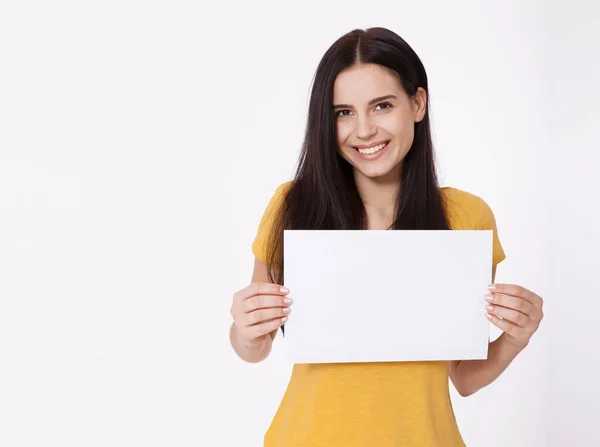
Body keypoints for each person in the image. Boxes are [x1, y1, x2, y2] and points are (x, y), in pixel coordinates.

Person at [229, 27, 544, 447]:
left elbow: (464, 377)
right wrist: (245, 328)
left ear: (417, 104)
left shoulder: (467, 216)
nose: (363, 130)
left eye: (382, 106)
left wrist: (515, 338)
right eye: (343, 112)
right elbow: (254, 348)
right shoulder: (294, 204)